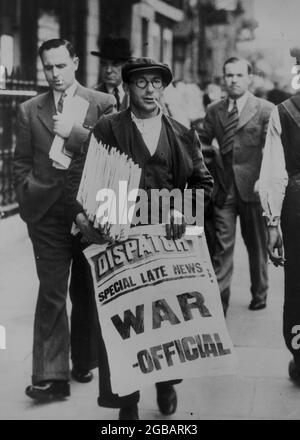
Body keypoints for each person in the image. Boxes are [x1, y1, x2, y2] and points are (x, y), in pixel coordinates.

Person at [65, 57, 213, 419]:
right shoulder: (107, 129)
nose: (150, 90)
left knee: (164, 319)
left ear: (164, 88)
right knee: (120, 324)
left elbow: (204, 183)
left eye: (156, 83)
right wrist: (83, 219)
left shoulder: (179, 132)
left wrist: (182, 210)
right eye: (142, 83)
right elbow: (75, 180)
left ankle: (165, 384)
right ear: (128, 88)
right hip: (118, 243)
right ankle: (126, 403)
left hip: (165, 245)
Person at [13, 38, 116, 401]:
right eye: (47, 67)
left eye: (60, 65)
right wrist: (27, 196)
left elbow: (111, 152)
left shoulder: (102, 103)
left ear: (74, 62)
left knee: (86, 291)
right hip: (46, 214)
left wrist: (71, 134)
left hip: (87, 213)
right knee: (52, 292)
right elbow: (21, 161)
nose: (54, 74)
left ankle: (84, 358)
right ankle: (50, 376)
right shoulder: (29, 109)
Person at [198, 57, 274, 315]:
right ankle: (220, 303)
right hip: (224, 188)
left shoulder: (264, 109)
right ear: (223, 78)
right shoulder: (214, 110)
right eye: (229, 75)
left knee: (257, 244)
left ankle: (260, 292)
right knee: (222, 246)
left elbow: (272, 152)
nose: (233, 80)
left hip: (252, 189)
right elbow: (201, 144)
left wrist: (265, 184)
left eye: (239, 75)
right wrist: (212, 156)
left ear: (249, 78)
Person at [258, 50, 300, 385]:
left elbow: (275, 173)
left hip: (296, 208)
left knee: (298, 283)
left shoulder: (284, 112)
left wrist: (272, 223)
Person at [91, 36, 131, 111]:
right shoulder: (92, 95)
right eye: (104, 64)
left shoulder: (134, 94)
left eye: (115, 64)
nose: (108, 70)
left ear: (126, 66)